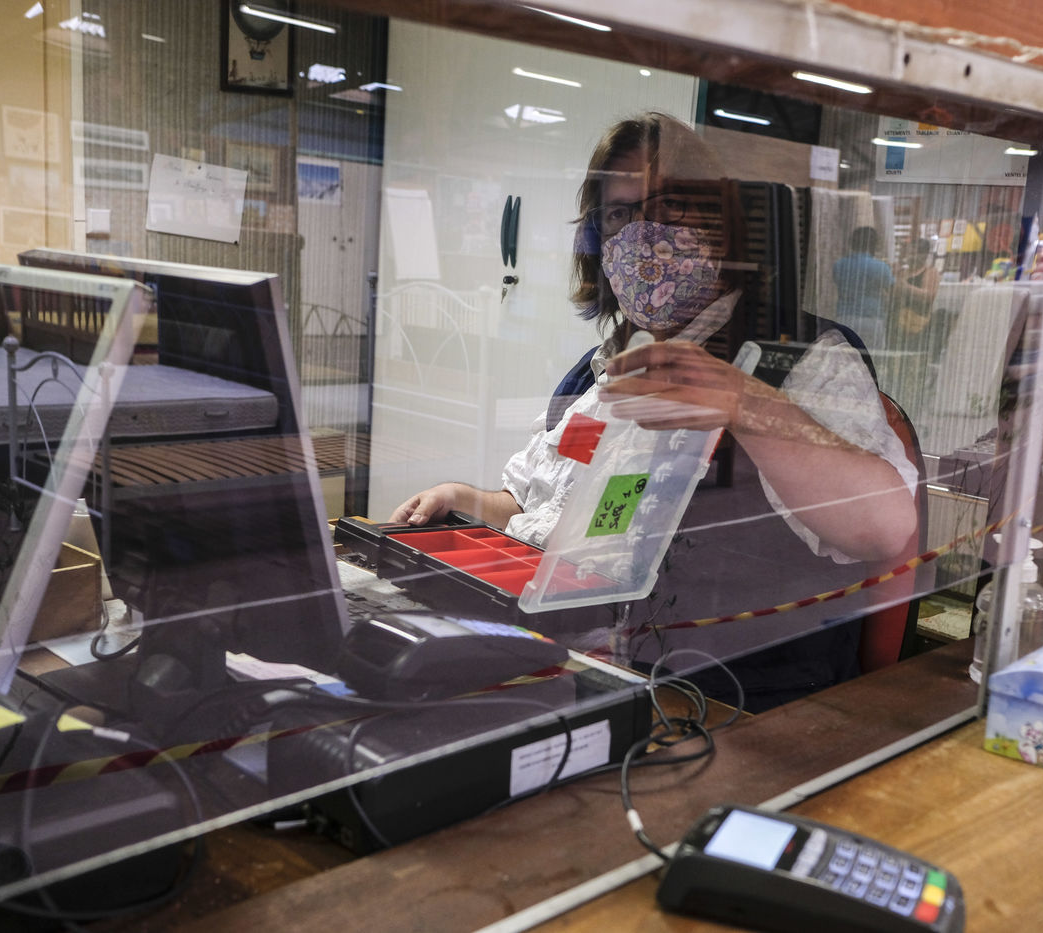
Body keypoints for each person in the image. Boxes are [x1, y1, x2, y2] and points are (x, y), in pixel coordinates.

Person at [391, 113, 918, 710]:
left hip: (721, 699)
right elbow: (538, 505)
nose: (644, 234)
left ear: (724, 222)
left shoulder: (799, 357)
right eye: (619, 214)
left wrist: (744, 402)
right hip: (573, 667)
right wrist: (464, 499)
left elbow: (883, 528)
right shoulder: (599, 369)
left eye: (670, 207)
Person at [831, 226, 895, 350]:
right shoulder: (881, 267)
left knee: (846, 357)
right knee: (872, 357)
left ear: (852, 243)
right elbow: (892, 291)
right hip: (872, 319)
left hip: (845, 318)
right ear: (874, 245)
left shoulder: (839, 265)